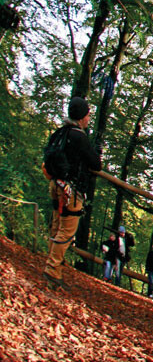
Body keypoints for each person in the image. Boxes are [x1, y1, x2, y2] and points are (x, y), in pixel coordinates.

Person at [41, 96, 100, 290]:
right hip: (70, 191)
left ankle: (54, 263)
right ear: (82, 116)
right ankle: (52, 269)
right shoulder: (79, 136)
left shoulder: (60, 133)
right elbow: (95, 164)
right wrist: (97, 153)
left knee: (57, 226)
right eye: (88, 114)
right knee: (66, 231)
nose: (89, 118)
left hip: (55, 185)